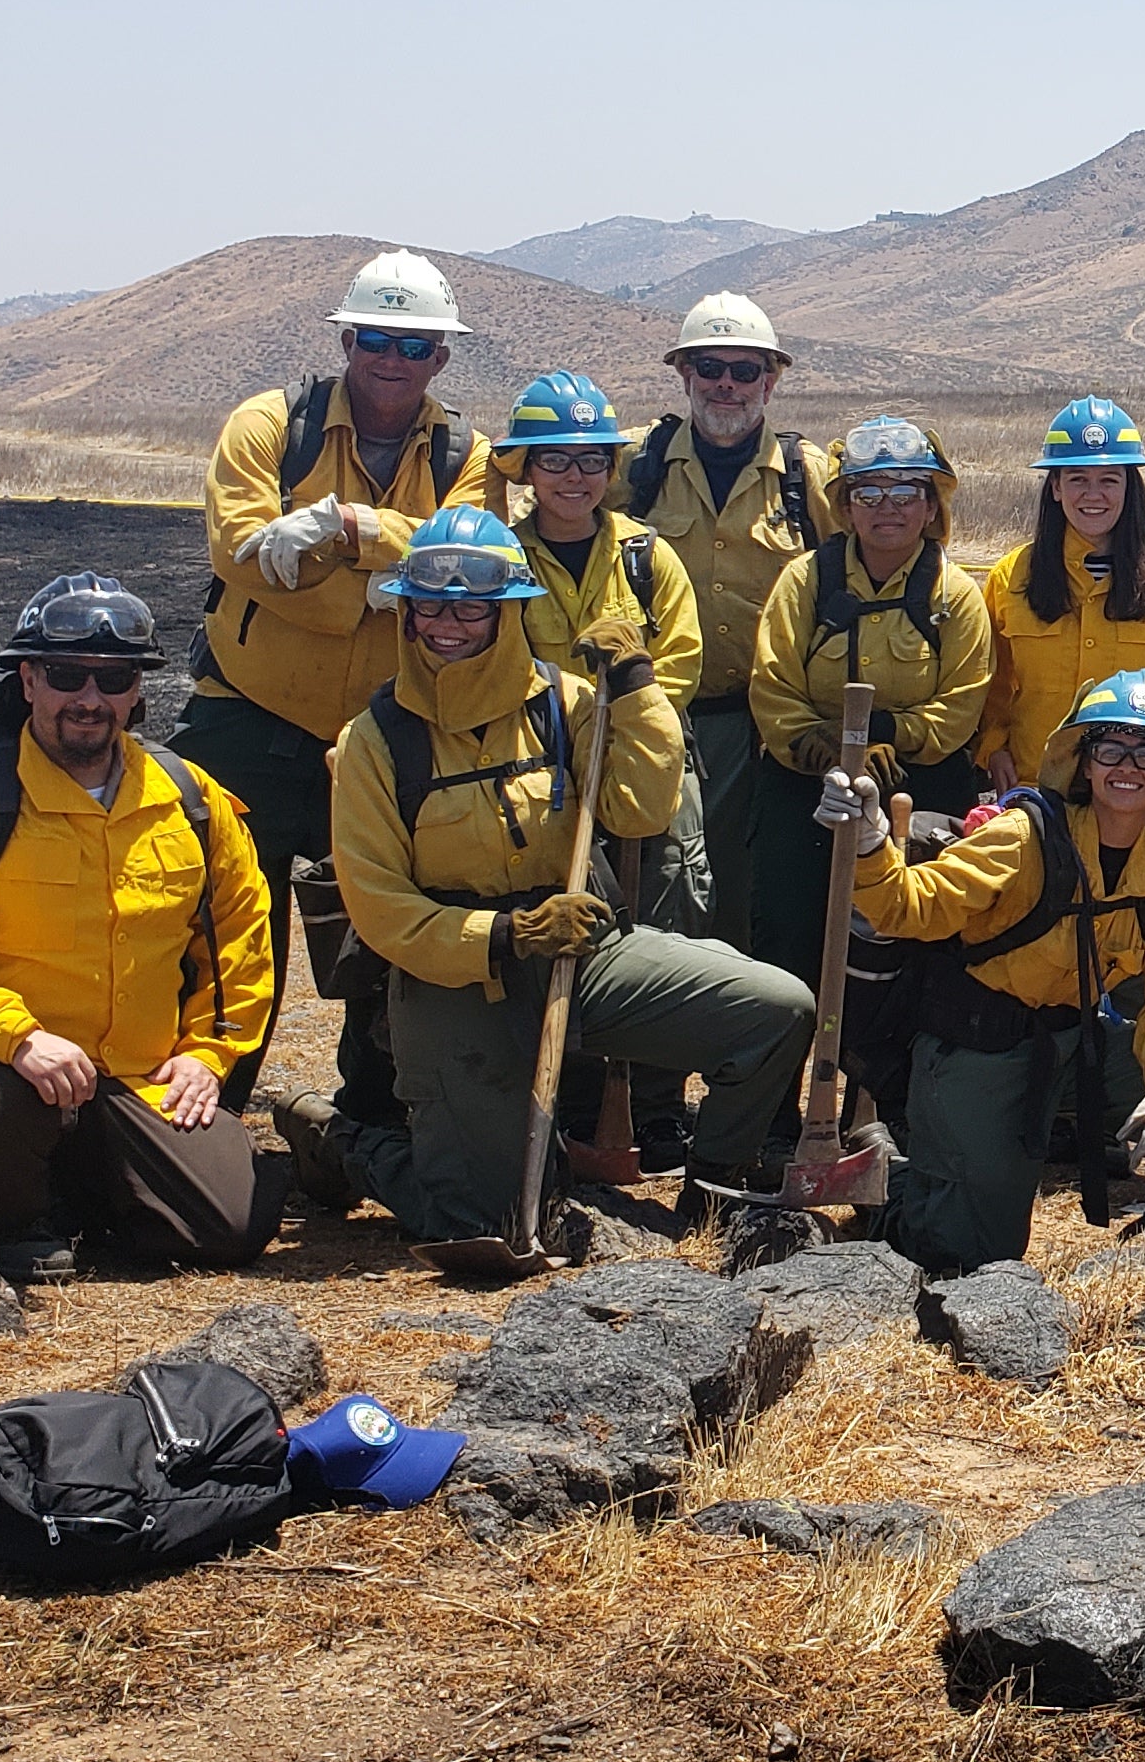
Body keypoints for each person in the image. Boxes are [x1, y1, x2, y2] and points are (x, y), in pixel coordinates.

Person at [321, 508, 814, 1243]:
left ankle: (713, 1197)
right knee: (483, 1221)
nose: (447, 624)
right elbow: (381, 907)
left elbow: (642, 811)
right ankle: (352, 1143)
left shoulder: (566, 704)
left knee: (776, 1010)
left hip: (584, 951)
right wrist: (506, 934)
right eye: (429, 604)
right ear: (407, 609)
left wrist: (639, 687)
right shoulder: (373, 742)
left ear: (506, 612)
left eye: (471, 607)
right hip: (461, 975)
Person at [0, 576, 281, 1283]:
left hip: (130, 1079)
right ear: (28, 681)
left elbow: (240, 942)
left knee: (234, 1225)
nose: (89, 699)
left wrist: (207, 1056)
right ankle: (1, 1221)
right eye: (66, 676)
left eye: (113, 679)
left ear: (136, 693)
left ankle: (80, 1187)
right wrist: (17, 1037)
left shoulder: (193, 803)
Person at [171, 249, 490, 1120]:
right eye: (378, 339)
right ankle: (205, 1119)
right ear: (348, 339)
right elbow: (239, 553)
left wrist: (344, 526)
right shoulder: (269, 426)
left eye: (416, 346)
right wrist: (382, 583)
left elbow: (467, 561)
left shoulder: (468, 454)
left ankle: (376, 1125)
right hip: (247, 718)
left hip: (387, 729)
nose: (394, 360)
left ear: (443, 360)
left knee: (385, 925)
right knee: (221, 926)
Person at [832, 668, 1145, 1269]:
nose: (1127, 767)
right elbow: (906, 906)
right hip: (979, 1048)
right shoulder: (1023, 837)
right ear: (1082, 760)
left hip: (1075, 1043)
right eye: (1111, 748)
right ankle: (892, 1192)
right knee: (974, 1256)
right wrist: (869, 843)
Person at [619, 294, 835, 954]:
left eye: (745, 371)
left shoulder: (807, 475)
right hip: (661, 720)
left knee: (756, 899)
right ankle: (657, 1043)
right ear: (684, 375)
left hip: (770, 733)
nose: (726, 385)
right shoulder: (636, 465)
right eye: (709, 367)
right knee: (664, 889)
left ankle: (745, 1049)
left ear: (770, 380)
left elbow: (864, 570)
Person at [747, 418, 994, 991]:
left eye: (908, 492)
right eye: (870, 493)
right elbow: (773, 687)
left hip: (917, 794)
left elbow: (959, 709)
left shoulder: (954, 595)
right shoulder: (804, 582)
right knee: (788, 948)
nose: (890, 507)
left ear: (932, 507)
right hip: (804, 789)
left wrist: (885, 735)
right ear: (846, 506)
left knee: (914, 959)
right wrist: (821, 746)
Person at [498, 371, 708, 935]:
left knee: (671, 898)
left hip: (645, 757)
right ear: (525, 469)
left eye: (592, 460)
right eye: (556, 461)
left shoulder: (648, 555)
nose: (576, 477)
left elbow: (681, 665)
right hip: (542, 768)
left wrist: (627, 710)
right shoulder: (504, 563)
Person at [975, 398, 1145, 793]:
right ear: (1055, 487)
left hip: (1137, 801)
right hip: (1038, 792)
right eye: (1078, 478)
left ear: (1129, 489)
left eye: (1109, 480)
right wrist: (993, 747)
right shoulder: (1010, 578)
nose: (1093, 494)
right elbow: (988, 685)